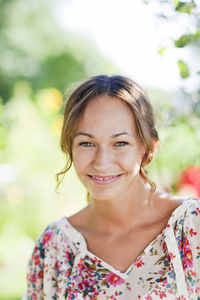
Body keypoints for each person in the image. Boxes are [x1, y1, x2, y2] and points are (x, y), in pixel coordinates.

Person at [23, 75, 200, 300]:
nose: (102, 162)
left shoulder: (191, 228)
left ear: (147, 149)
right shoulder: (54, 247)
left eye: (120, 143)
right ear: (70, 148)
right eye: (86, 143)